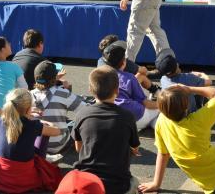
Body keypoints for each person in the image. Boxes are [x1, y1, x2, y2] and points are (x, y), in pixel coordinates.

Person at [138, 85, 215, 193]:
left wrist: (156, 183)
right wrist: (190, 89)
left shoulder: (161, 122)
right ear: (186, 106)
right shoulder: (198, 120)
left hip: (213, 185)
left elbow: (163, 154)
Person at [0, 88, 62, 193]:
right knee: (43, 134)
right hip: (24, 179)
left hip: (1, 176)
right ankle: (42, 159)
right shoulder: (33, 126)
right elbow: (57, 131)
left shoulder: (0, 120)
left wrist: (29, 115)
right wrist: (44, 122)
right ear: (28, 109)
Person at [72, 66, 141, 194]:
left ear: (90, 89)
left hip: (87, 183)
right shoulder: (127, 116)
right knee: (135, 183)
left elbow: (78, 148)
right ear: (117, 90)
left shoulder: (82, 114)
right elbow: (135, 148)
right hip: (117, 185)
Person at [30, 60, 85, 155]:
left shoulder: (28, 95)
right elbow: (84, 110)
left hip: (35, 145)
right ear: (55, 78)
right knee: (74, 124)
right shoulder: (63, 93)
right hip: (58, 145)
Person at [102, 41, 159, 131]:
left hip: (113, 117)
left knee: (139, 78)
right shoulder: (129, 78)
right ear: (124, 62)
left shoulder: (101, 75)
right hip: (133, 117)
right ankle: (154, 124)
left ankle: (149, 123)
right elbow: (145, 103)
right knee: (160, 110)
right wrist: (162, 104)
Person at [0, 36, 26, 108]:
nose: (10, 44)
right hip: (10, 110)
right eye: (8, 43)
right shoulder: (14, 67)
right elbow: (24, 88)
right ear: (2, 50)